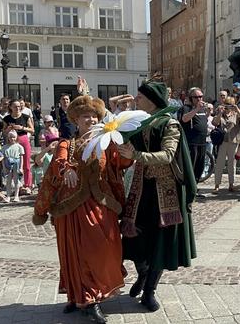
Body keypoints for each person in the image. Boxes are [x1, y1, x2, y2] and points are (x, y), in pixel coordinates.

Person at [32, 96, 131, 323]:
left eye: (94, 116)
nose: (90, 119)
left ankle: (91, 293)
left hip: (101, 203)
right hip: (72, 208)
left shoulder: (106, 141)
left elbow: (118, 163)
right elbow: (59, 161)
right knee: (76, 253)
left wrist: (127, 154)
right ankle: (85, 299)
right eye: (85, 116)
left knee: (105, 248)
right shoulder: (68, 143)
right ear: (76, 120)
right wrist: (66, 170)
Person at [119, 80, 197, 313]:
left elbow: (167, 155)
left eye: (140, 97)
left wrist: (136, 155)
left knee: (159, 244)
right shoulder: (140, 122)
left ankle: (150, 291)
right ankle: (143, 274)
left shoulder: (169, 124)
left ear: (152, 100)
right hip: (141, 188)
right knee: (133, 238)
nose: (136, 99)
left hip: (165, 191)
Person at [180, 87, 211, 196]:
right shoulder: (186, 108)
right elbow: (184, 119)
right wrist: (196, 109)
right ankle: (188, 189)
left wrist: (209, 112)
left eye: (200, 96)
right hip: (192, 142)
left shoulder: (202, 109)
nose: (199, 99)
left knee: (200, 167)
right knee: (191, 167)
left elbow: (203, 121)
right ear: (191, 98)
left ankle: (195, 187)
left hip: (202, 142)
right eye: (196, 97)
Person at [212, 96, 240, 193]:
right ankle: (217, 185)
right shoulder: (221, 113)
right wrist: (220, 112)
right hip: (222, 142)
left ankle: (231, 184)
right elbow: (215, 122)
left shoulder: (236, 114)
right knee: (220, 163)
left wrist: (237, 110)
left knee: (232, 164)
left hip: (233, 141)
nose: (228, 107)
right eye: (227, 105)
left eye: (230, 105)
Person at [3, 99, 34, 193]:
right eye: (15, 106)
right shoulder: (7, 118)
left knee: (26, 163)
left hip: (23, 138)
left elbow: (32, 130)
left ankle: (27, 185)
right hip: (11, 141)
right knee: (12, 163)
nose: (17, 108)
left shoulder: (25, 117)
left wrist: (22, 128)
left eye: (19, 106)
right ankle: (16, 184)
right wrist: (8, 129)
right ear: (10, 107)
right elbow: (4, 132)